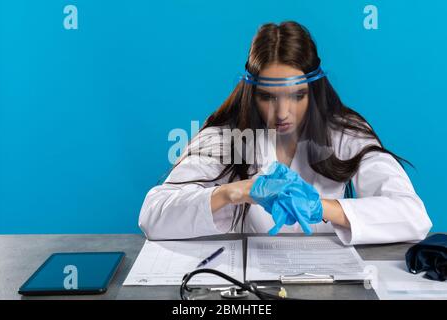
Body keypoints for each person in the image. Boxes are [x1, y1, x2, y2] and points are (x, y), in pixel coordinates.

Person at [138, 21, 432, 245]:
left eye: (297, 95)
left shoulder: (345, 133)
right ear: (251, 94)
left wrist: (323, 208)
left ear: (314, 91)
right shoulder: (225, 139)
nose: (282, 113)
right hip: (249, 287)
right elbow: (152, 215)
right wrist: (233, 192)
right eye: (268, 97)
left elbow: (413, 216)